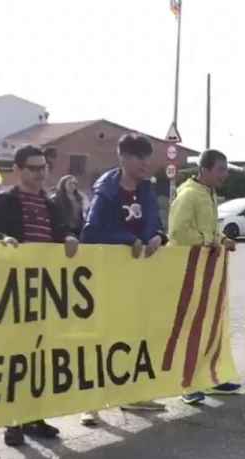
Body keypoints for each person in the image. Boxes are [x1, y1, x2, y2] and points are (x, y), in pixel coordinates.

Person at [0, 145, 78, 444]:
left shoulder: (51, 204)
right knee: (15, 359)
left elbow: (62, 230)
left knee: (40, 356)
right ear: (18, 170)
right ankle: (13, 420)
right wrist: (3, 239)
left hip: (45, 290)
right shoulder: (3, 202)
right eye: (33, 168)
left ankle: (34, 416)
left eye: (43, 168)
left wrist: (69, 237)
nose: (40, 174)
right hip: (13, 291)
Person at [80, 134, 168, 418]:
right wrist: (126, 240)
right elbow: (91, 232)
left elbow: (156, 224)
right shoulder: (105, 190)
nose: (145, 163)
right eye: (138, 157)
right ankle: (90, 405)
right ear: (123, 158)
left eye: (147, 157)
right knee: (102, 338)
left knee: (137, 336)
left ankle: (135, 394)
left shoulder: (147, 190)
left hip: (139, 277)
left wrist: (158, 236)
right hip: (108, 277)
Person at [167, 149, 240, 405]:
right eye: (221, 169)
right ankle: (185, 384)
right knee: (189, 328)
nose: (225, 174)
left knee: (209, 327)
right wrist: (211, 242)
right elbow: (178, 232)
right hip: (187, 272)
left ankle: (208, 378)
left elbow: (208, 229)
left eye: (225, 169)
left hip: (206, 272)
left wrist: (222, 239)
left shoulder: (208, 193)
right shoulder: (188, 194)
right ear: (205, 169)